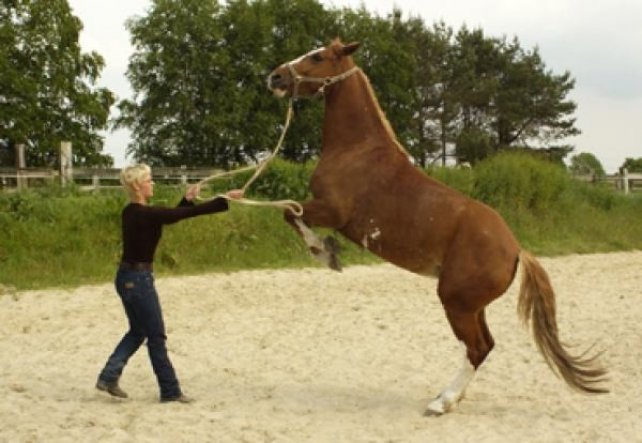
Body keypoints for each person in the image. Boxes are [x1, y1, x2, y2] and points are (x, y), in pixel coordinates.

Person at [96, 164, 244, 403]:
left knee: (138, 332)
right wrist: (223, 199)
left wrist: (186, 199)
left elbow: (172, 216)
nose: (152, 183)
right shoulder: (145, 213)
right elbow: (179, 216)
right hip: (139, 280)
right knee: (156, 336)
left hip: (125, 278)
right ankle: (170, 390)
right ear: (137, 186)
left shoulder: (131, 212)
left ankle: (108, 376)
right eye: (149, 180)